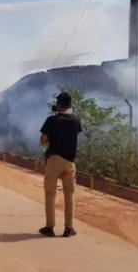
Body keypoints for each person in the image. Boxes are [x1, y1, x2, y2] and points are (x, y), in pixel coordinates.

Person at [38, 92, 82, 238]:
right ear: (70, 105)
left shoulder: (51, 120)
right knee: (69, 195)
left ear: (58, 104)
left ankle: (49, 227)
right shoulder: (76, 120)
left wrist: (50, 140)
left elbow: (43, 140)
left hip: (54, 160)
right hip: (70, 162)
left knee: (50, 194)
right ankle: (69, 228)